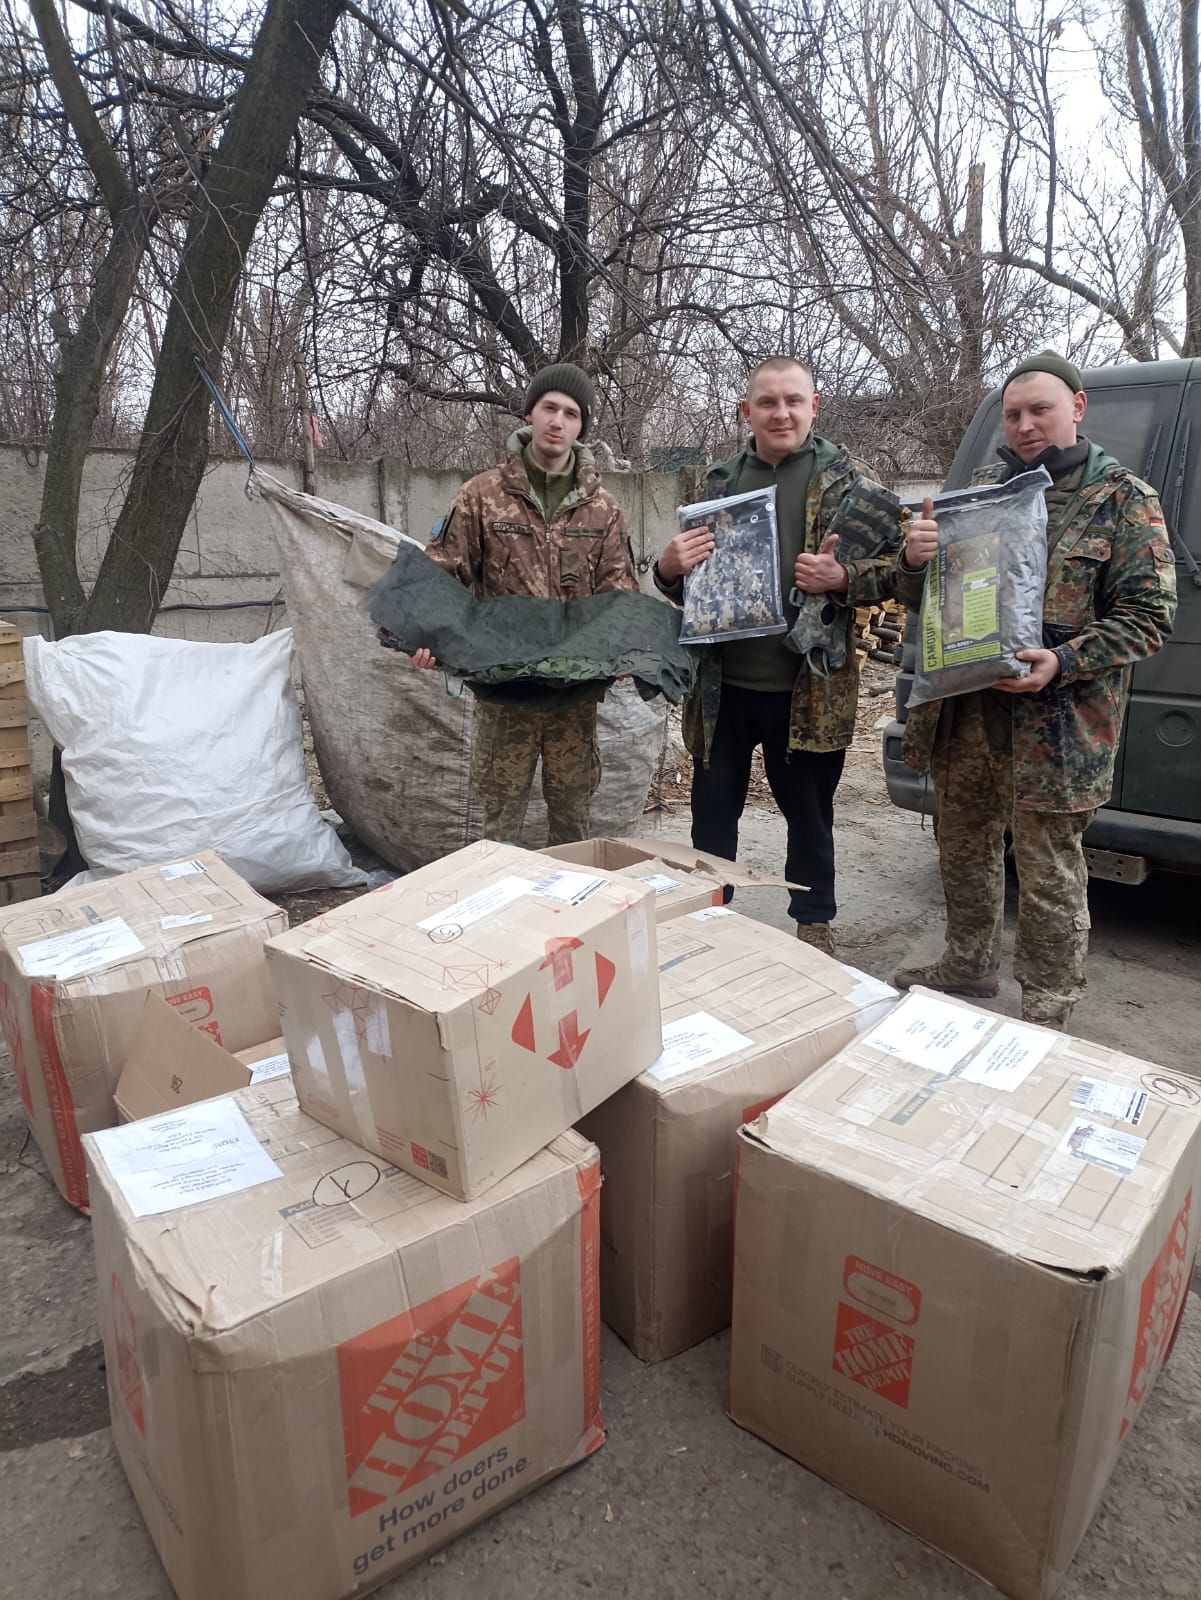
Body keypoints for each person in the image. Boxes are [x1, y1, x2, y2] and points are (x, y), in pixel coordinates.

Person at [894, 351, 1177, 1029]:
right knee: (962, 845)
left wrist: (1062, 660)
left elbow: (1148, 617)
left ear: (1076, 408)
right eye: (1013, 413)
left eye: (1038, 410)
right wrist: (914, 561)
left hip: (1058, 723)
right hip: (967, 709)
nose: (1023, 425)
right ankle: (968, 965)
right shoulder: (982, 493)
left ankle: (1048, 1006)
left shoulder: (1121, 499)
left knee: (1047, 869)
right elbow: (929, 602)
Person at [654, 356, 899, 953]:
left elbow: (904, 575)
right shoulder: (715, 483)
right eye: (768, 402)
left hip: (808, 688)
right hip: (723, 689)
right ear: (747, 411)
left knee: (810, 819)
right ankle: (708, 918)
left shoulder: (852, 482)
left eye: (794, 400)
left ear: (814, 406)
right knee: (712, 818)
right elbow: (691, 585)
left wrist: (844, 578)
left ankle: (813, 923)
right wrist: (666, 569)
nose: (781, 412)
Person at [406, 362, 638, 845]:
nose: (558, 421)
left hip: (573, 695)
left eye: (571, 413)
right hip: (504, 689)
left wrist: (624, 650)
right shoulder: (482, 495)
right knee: (497, 820)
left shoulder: (604, 509)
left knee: (573, 819)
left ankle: (570, 915)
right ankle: (497, 915)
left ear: (581, 426)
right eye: (549, 408)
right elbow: (440, 572)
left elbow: (619, 591)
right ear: (530, 413)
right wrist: (426, 636)